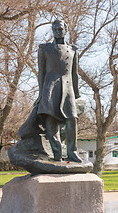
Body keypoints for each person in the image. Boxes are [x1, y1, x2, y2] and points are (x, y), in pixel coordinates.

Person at [35, 19, 83, 163]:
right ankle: (57, 154)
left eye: (60, 29)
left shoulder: (73, 50)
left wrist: (77, 94)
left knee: (72, 119)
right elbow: (41, 72)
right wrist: (40, 94)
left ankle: (72, 152)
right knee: (50, 121)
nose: (57, 32)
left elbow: (75, 74)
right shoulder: (45, 49)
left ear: (65, 30)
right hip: (50, 88)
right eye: (55, 29)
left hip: (68, 88)